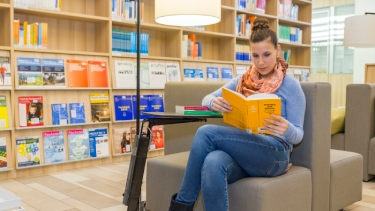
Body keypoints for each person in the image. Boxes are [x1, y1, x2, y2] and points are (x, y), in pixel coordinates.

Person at [168, 18, 306, 211]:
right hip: (248, 151)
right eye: (255, 56)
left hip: (276, 155)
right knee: (212, 161)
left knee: (206, 132)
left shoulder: (291, 86)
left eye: (266, 54)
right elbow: (206, 99)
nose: (261, 62)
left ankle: (181, 206)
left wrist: (286, 127)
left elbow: (299, 134)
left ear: (278, 50)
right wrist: (213, 102)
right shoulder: (244, 80)